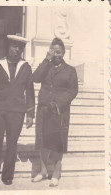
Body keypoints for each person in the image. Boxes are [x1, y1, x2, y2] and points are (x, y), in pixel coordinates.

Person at [0, 34, 35, 187]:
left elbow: (30, 92)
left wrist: (30, 114)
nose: (17, 50)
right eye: (14, 46)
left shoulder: (26, 67)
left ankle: (7, 176)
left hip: (17, 112)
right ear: (9, 47)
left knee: (12, 144)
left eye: (20, 47)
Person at [32, 38, 78, 187]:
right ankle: (43, 171)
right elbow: (35, 78)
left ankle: (56, 173)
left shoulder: (70, 70)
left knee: (58, 142)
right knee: (42, 140)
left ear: (63, 52)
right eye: (53, 51)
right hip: (44, 109)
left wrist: (57, 103)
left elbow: (72, 91)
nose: (56, 54)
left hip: (60, 111)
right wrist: (46, 59)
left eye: (59, 51)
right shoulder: (46, 65)